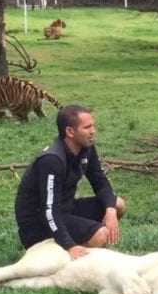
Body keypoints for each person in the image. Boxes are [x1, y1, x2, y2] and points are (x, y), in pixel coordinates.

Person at [14, 104, 126, 261]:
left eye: (92, 126)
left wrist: (110, 211)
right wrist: (69, 245)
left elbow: (99, 181)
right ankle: (72, 257)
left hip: (66, 210)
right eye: (87, 127)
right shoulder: (52, 161)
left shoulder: (86, 148)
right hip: (38, 224)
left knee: (117, 204)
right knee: (101, 235)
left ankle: (80, 246)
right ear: (70, 131)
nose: (93, 131)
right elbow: (49, 211)